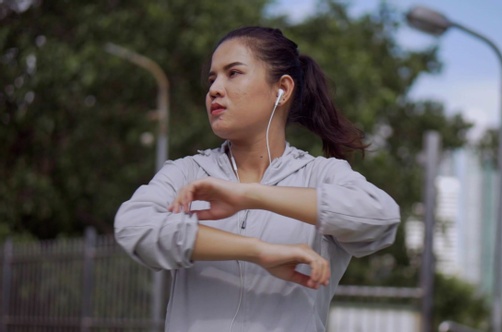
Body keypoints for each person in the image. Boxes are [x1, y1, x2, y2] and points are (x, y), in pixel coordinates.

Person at [114, 26, 400, 332]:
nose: (214, 89)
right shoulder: (187, 172)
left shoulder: (321, 174)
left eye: (233, 73)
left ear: (282, 90)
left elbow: (381, 218)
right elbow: (134, 226)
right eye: (212, 79)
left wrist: (250, 195)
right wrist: (257, 251)